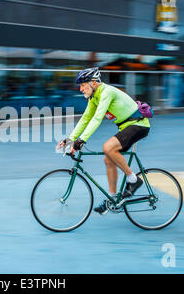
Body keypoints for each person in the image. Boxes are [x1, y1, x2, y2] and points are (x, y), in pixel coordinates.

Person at [57, 67, 151, 215]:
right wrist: (71, 138)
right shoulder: (94, 97)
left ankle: (133, 180)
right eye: (80, 86)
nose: (80, 89)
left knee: (108, 147)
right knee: (109, 159)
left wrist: (82, 140)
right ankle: (113, 199)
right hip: (126, 127)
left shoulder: (106, 92)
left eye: (83, 85)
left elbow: (97, 118)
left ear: (93, 82)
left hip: (138, 125)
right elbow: (86, 118)